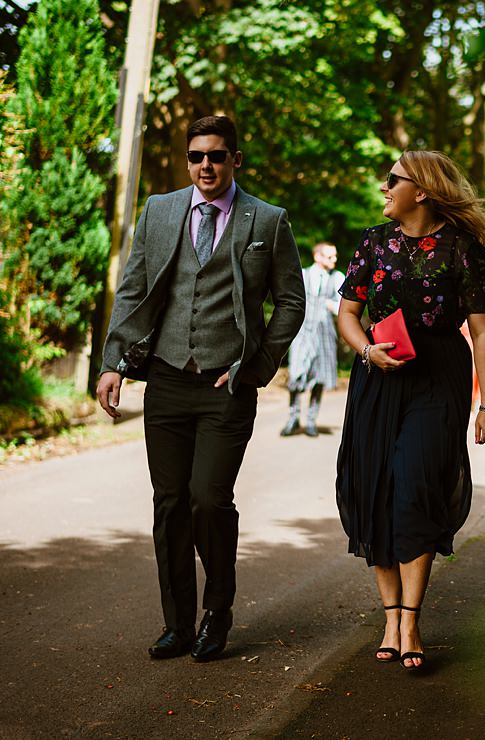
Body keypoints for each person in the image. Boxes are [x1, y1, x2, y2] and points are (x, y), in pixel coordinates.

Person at [95, 115, 305, 663]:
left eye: (216, 155)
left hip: (226, 385)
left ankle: (218, 611)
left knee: (208, 500)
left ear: (236, 159)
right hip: (165, 377)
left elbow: (291, 301)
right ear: (187, 161)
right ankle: (178, 625)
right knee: (169, 505)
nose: (205, 165)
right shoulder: (160, 211)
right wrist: (113, 361)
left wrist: (256, 367)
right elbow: (133, 288)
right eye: (196, 157)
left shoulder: (268, 220)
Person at [335, 150, 485, 671]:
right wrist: (366, 350)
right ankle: (389, 617)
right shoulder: (373, 242)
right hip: (378, 378)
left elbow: (481, 333)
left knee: (415, 488)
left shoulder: (464, 251)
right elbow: (347, 313)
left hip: (438, 380)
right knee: (376, 493)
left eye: (393, 180)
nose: (384, 188)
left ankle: (411, 620)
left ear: (423, 190)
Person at [282, 241, 345, 437]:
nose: (334, 260)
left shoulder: (337, 278)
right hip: (302, 331)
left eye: (334, 256)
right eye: (329, 256)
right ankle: (293, 418)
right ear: (317, 257)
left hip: (324, 332)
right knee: (296, 374)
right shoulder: (303, 274)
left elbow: (343, 308)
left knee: (319, 376)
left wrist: (330, 305)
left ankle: (311, 421)